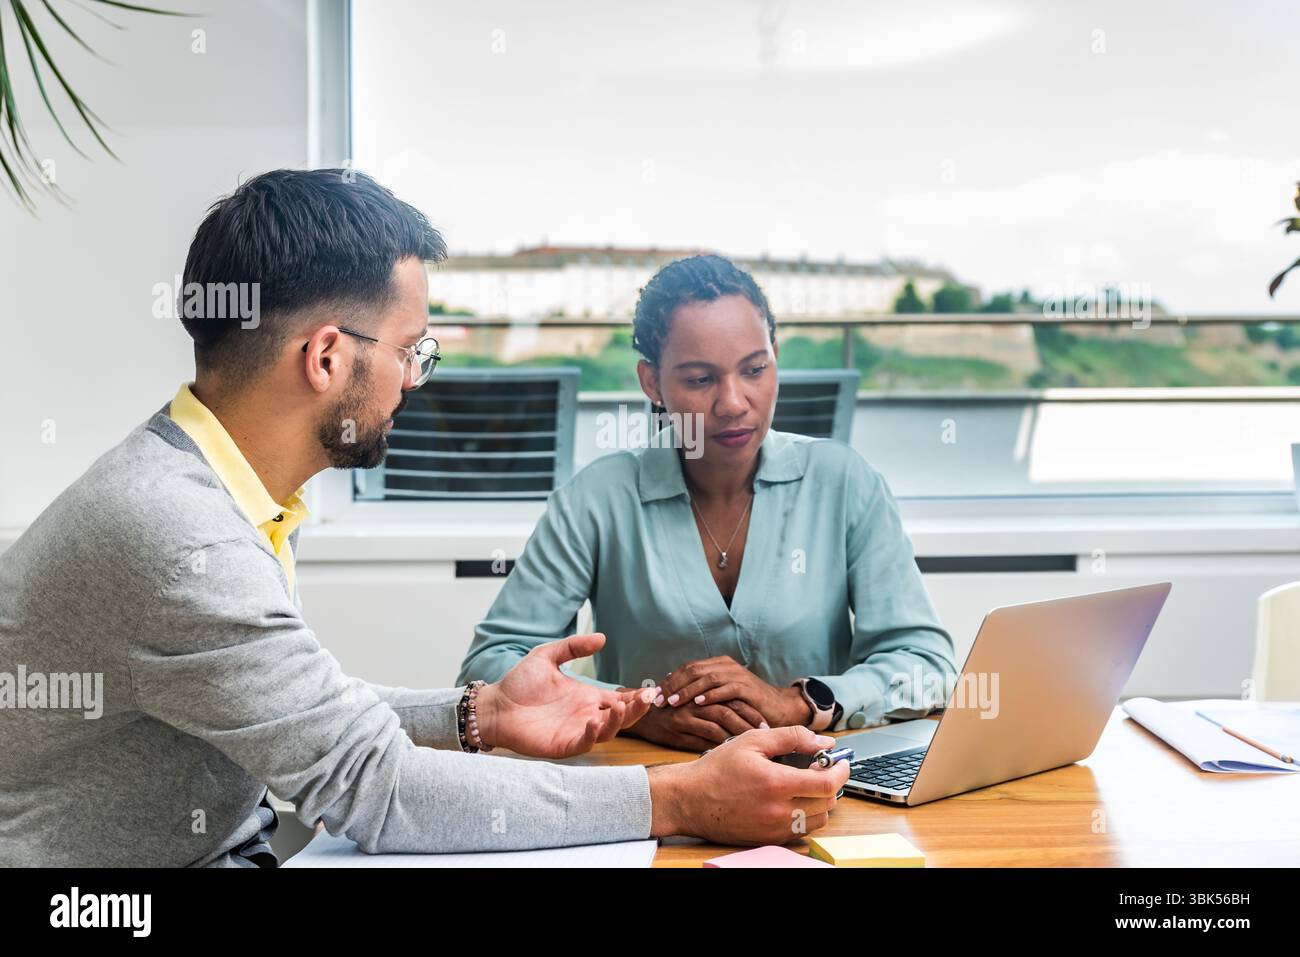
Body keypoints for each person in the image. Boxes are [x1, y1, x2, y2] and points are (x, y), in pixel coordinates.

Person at [0, 172, 848, 866]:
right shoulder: (175, 534)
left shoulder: (216, 493)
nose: (414, 379)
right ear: (327, 356)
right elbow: (380, 788)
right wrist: (682, 797)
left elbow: (290, 710)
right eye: (412, 350)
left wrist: (475, 714)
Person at [459, 254, 958, 752]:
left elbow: (927, 663)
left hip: (823, 786)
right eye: (700, 379)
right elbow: (491, 665)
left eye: (754, 369)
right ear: (652, 383)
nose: (734, 403)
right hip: (648, 794)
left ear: (775, 359)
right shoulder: (596, 499)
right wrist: (636, 709)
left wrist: (804, 702)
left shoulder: (845, 483)